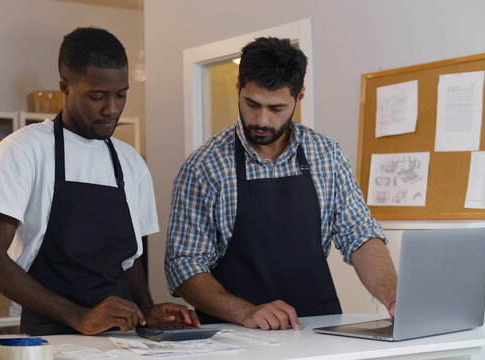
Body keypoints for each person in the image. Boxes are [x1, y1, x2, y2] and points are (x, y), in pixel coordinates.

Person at [0, 27, 199, 336]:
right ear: (65, 87)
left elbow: (129, 260)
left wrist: (147, 309)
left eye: (121, 95)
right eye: (97, 96)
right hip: (52, 337)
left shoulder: (130, 162)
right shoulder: (24, 150)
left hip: (124, 339)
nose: (112, 109)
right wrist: (77, 316)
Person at [165, 37, 397, 331]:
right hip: (235, 334)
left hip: (316, 327)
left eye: (276, 108)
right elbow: (183, 266)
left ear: (299, 97)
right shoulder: (204, 168)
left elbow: (361, 236)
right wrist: (246, 311)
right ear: (238, 88)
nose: (261, 120)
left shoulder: (327, 155)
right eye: (252, 104)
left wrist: (393, 297)